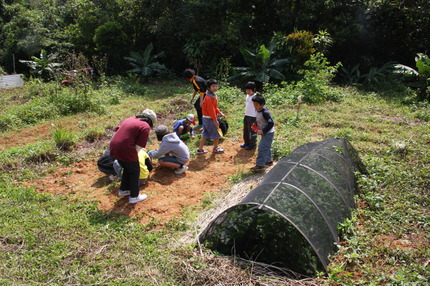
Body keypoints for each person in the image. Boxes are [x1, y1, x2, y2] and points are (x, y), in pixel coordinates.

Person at [109, 109, 157, 204]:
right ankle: (134, 196)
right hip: (126, 149)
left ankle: (124, 190)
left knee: (127, 169)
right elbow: (138, 147)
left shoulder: (129, 119)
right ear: (151, 121)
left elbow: (117, 131)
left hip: (114, 146)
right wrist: (133, 157)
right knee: (135, 172)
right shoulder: (145, 126)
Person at [197, 79, 225, 154]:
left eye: (216, 86)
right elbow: (211, 110)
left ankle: (200, 149)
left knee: (205, 133)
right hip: (210, 118)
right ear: (209, 88)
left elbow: (215, 107)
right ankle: (216, 148)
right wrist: (215, 120)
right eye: (213, 86)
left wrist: (220, 112)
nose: (215, 88)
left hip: (206, 118)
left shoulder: (212, 95)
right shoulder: (209, 97)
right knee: (216, 133)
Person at [250, 95, 275, 171]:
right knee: (266, 147)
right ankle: (269, 161)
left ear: (262, 104)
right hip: (264, 133)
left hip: (268, 133)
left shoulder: (265, 112)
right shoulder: (257, 111)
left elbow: (271, 123)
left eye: (256, 105)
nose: (255, 107)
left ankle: (260, 165)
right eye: (254, 105)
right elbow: (258, 119)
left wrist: (263, 130)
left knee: (262, 147)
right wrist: (255, 124)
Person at [241, 81, 258, 150]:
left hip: (253, 116)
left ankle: (252, 144)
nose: (247, 92)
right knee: (246, 130)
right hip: (247, 115)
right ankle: (246, 143)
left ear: (254, 89)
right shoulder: (247, 96)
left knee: (252, 131)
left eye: (249, 90)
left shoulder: (256, 97)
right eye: (246, 90)